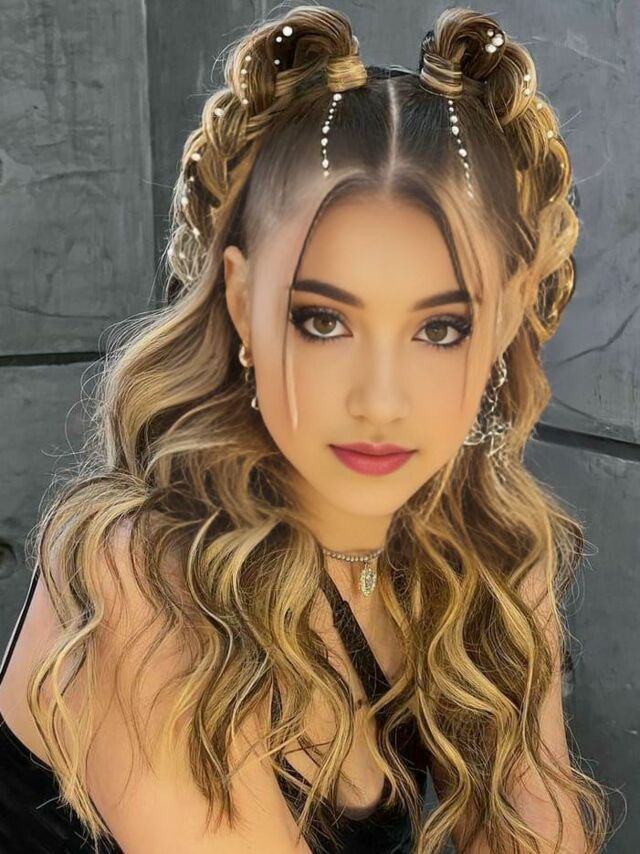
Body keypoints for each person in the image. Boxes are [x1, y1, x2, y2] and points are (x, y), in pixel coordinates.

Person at [0, 5, 612, 853]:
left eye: (440, 328)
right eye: (323, 320)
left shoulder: (489, 550)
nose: (381, 400)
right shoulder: (142, 572)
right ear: (241, 302)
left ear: (505, 320)